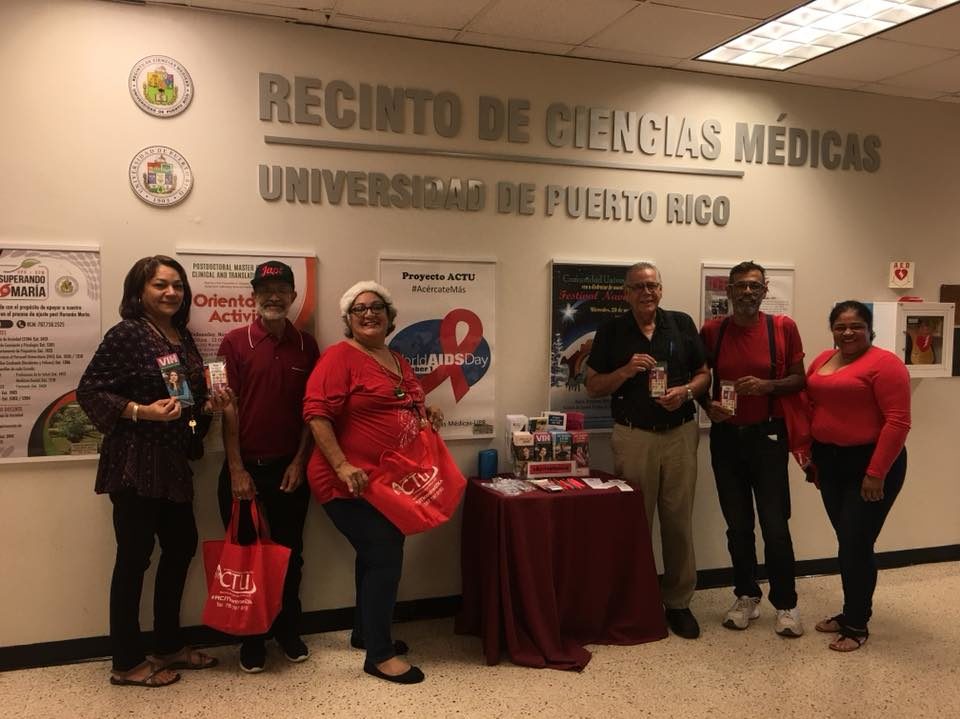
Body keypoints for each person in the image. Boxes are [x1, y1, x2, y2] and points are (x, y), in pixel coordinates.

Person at [77, 255, 232, 688]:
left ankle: (168, 645)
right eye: (160, 285)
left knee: (181, 547)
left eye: (177, 285)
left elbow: (188, 398)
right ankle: (126, 662)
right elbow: (89, 391)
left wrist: (210, 406)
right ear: (139, 290)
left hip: (173, 464)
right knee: (134, 558)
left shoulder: (181, 334)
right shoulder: (127, 333)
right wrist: (140, 411)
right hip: (135, 462)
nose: (171, 293)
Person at [303, 281, 443, 684]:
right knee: (384, 553)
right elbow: (316, 413)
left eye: (376, 306)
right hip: (344, 480)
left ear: (389, 315)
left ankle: (365, 632)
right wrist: (342, 465)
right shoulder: (339, 357)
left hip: (385, 483)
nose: (369, 313)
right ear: (348, 320)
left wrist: (426, 413)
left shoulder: (396, 358)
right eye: (359, 308)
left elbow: (407, 401)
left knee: (374, 554)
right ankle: (379, 656)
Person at [585, 262, 710, 639]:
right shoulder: (611, 331)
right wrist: (625, 370)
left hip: (680, 434)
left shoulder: (681, 323)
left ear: (661, 290)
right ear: (626, 293)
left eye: (652, 286)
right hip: (634, 436)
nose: (646, 292)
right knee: (634, 523)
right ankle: (633, 601)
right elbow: (593, 386)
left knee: (678, 522)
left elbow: (704, 374)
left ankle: (678, 602)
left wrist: (685, 392)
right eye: (638, 287)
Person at [216, 260, 320, 673]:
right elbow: (228, 409)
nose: (273, 297)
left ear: (293, 296)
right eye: (265, 290)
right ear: (253, 296)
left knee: (291, 557)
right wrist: (236, 469)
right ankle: (252, 640)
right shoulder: (234, 342)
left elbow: (313, 411)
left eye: (281, 290)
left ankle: (287, 631)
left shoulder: (307, 345)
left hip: (290, 471)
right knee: (248, 560)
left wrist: (300, 461)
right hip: (245, 471)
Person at [699, 261, 806, 637]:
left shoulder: (783, 328)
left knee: (775, 526)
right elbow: (700, 380)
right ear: (729, 291)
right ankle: (746, 595)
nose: (747, 292)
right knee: (738, 526)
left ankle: (786, 604)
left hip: (768, 437)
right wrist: (706, 405)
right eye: (740, 285)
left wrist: (767, 386)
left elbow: (799, 380)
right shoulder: (712, 331)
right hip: (727, 439)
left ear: (765, 290)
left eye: (754, 286)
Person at [805, 300, 910, 652]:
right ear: (832, 330)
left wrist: (876, 473)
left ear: (870, 329)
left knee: (856, 542)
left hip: (871, 465)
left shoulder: (886, 364)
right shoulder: (823, 359)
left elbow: (898, 422)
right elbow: (812, 404)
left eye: (856, 326)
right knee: (848, 541)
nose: (848, 332)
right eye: (840, 326)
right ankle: (850, 609)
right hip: (830, 463)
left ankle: (856, 623)